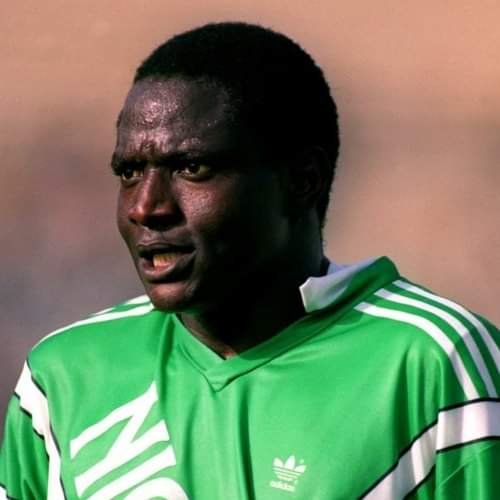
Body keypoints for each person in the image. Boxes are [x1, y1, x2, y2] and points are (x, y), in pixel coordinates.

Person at [0, 22, 498, 500]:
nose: (146, 207)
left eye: (191, 167)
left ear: (302, 179)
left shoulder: (435, 361)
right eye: (130, 172)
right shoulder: (64, 376)